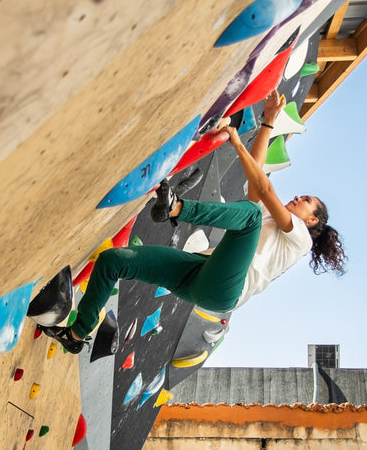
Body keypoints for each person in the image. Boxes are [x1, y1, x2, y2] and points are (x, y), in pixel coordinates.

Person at [42, 90, 346, 354]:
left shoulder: (301, 240)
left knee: (251, 214)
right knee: (113, 261)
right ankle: (76, 334)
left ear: (312, 219)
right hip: (200, 275)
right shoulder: (270, 214)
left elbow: (265, 190)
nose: (297, 198)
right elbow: (258, 179)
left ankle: (176, 210)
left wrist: (237, 143)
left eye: (306, 200)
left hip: (226, 291)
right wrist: (267, 121)